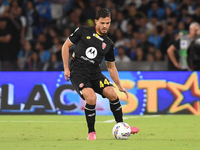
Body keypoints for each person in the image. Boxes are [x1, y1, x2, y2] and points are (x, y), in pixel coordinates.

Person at [61, 8, 139, 140]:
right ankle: (91, 132)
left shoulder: (108, 44)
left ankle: (122, 126)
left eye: (108, 23)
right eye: (102, 23)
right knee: (91, 98)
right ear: (96, 22)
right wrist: (66, 68)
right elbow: (65, 46)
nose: (105, 26)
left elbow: (111, 66)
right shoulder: (82, 31)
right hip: (78, 71)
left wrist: (119, 85)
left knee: (112, 94)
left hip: (94, 72)